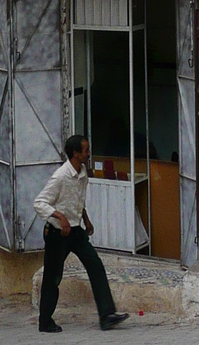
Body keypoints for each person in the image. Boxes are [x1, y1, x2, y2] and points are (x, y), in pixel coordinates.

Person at [34, 135, 128, 334]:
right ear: (75, 153)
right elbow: (40, 203)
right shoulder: (60, 176)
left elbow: (76, 199)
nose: (88, 153)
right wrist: (60, 216)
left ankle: (107, 315)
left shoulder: (83, 172)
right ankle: (45, 321)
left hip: (76, 231)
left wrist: (85, 218)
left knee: (95, 266)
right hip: (57, 233)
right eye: (85, 150)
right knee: (53, 277)